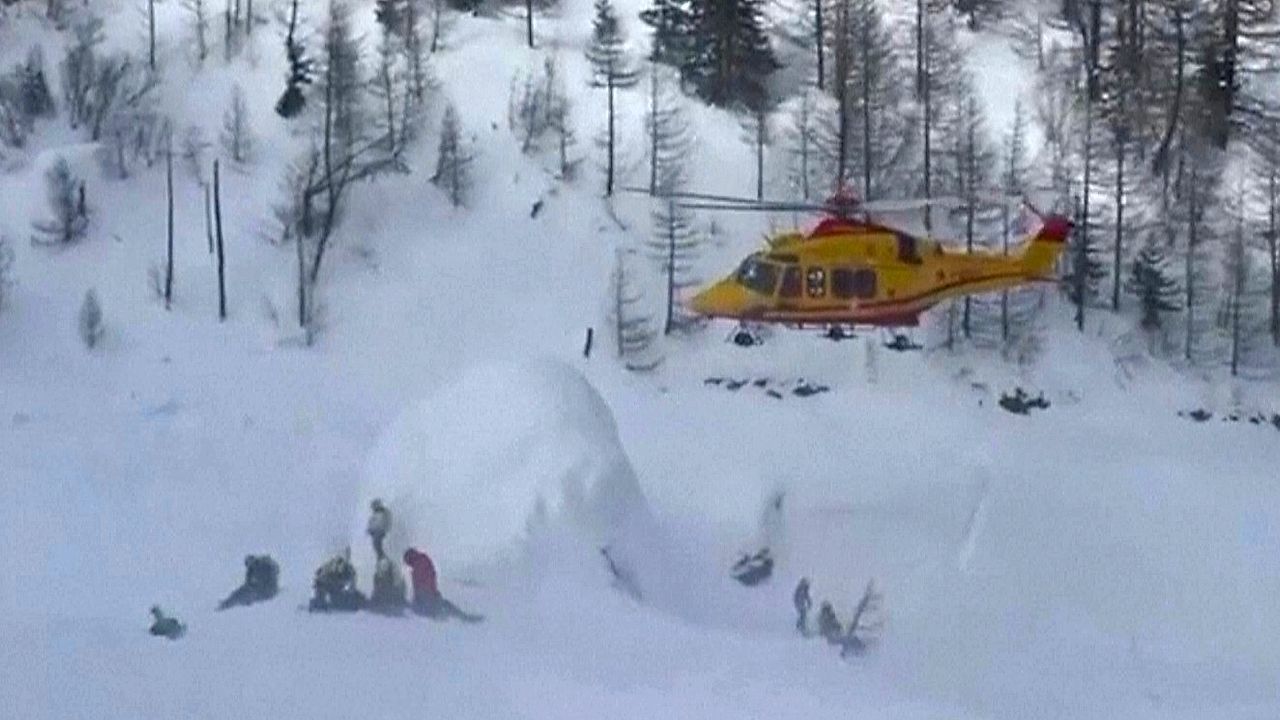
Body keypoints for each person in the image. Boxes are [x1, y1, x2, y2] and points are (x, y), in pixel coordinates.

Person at [403, 547, 482, 623]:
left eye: (408, 563)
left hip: (426, 595)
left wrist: (420, 595)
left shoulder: (419, 565)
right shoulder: (423, 560)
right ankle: (464, 617)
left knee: (436, 608)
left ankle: (456, 618)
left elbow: (421, 583)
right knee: (446, 606)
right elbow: (431, 576)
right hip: (430, 593)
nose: (409, 566)